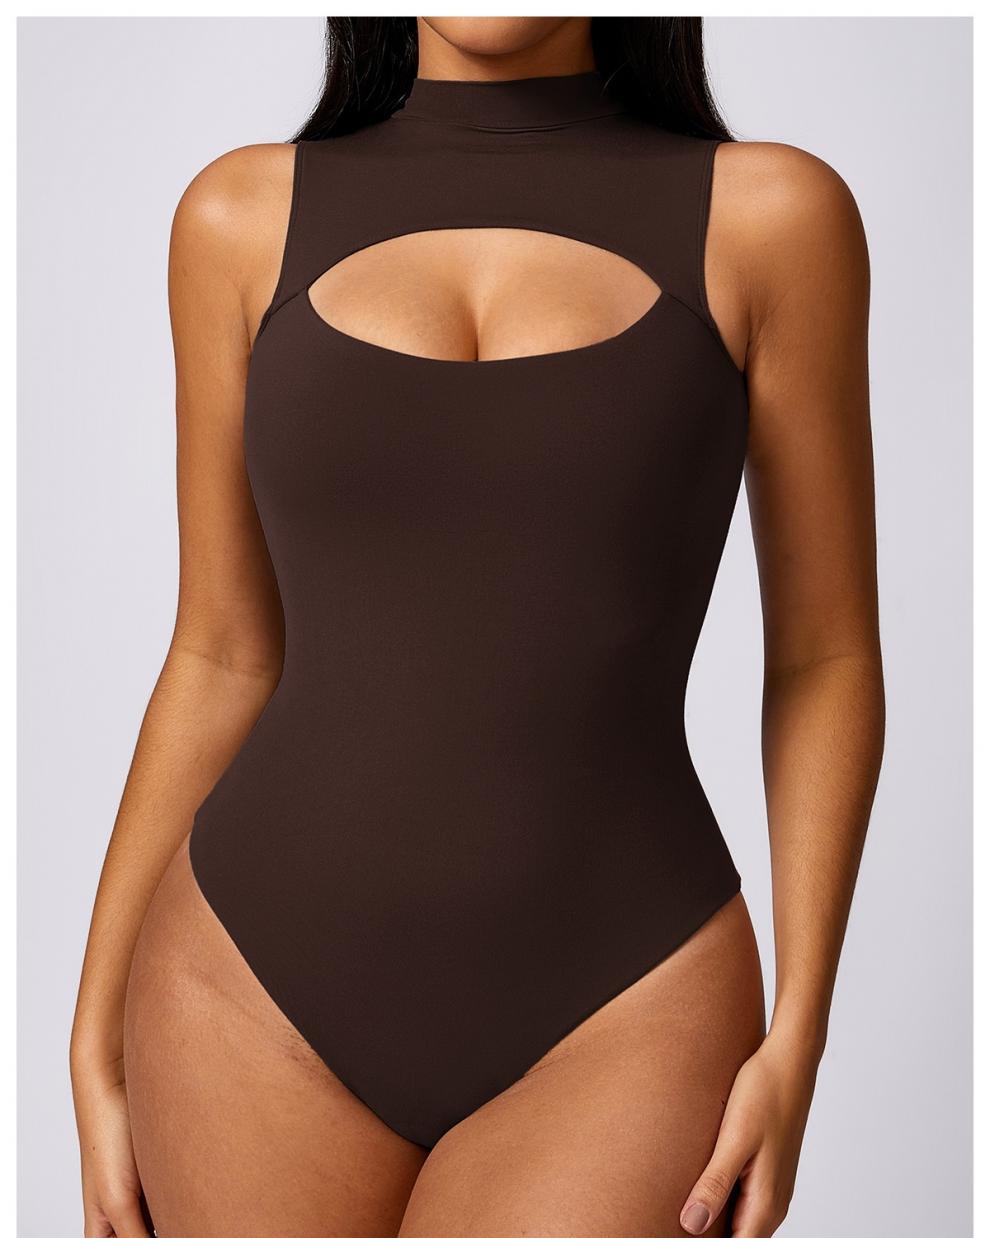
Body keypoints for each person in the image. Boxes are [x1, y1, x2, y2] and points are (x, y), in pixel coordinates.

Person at [70, 17, 884, 1238]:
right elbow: (221, 650)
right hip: (246, 990)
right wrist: (90, 1031)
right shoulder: (238, 217)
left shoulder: (770, 216)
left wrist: (801, 1034)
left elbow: (825, 655)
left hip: (629, 1003)